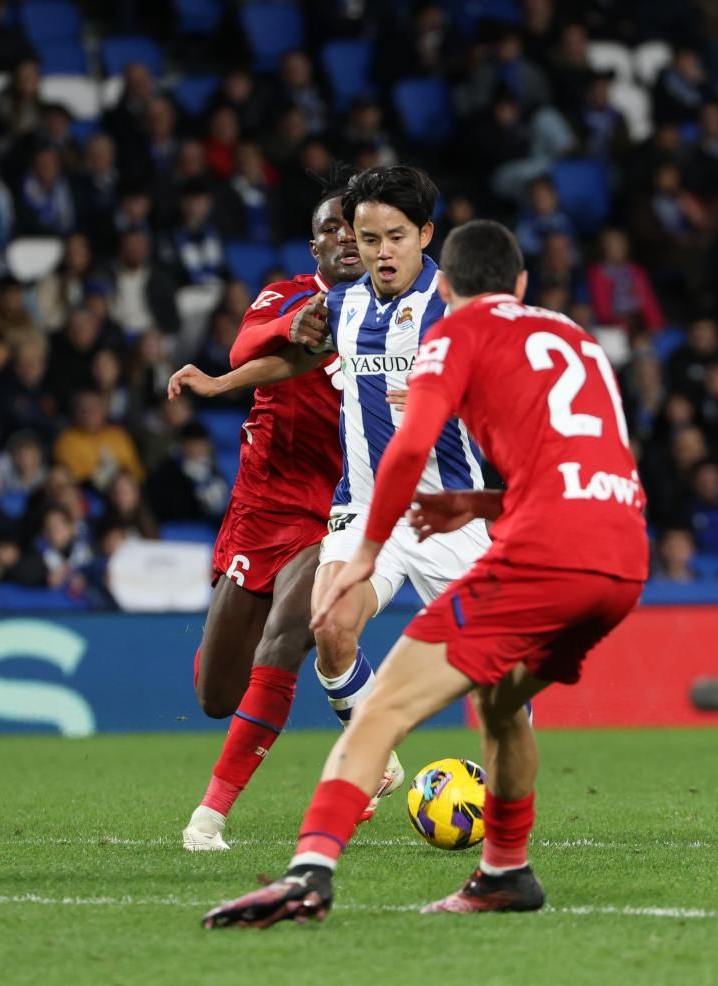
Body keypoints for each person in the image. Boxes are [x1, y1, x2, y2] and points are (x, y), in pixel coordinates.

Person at [201, 220, 647, 928]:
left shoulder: (454, 335)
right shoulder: (574, 338)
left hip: (539, 557)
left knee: (383, 710)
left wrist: (370, 550)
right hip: (622, 556)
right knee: (501, 706)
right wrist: (478, 501)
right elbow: (593, 463)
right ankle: (506, 874)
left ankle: (308, 875)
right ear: (522, 286)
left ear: (444, 284)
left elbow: (407, 452)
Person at [170, 166, 489, 847]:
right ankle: (373, 743)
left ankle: (215, 813)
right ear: (315, 245)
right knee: (256, 668)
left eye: (375, 234)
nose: (361, 245)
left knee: (496, 679)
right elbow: (277, 355)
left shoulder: (445, 304)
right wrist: (224, 378)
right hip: (310, 507)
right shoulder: (321, 306)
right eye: (343, 233)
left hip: (396, 507)